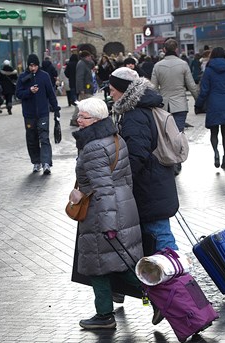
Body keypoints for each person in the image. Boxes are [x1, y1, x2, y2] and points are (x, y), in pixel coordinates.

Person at [71, 98, 144, 330]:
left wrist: (109, 224)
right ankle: (152, 296)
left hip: (102, 212)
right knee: (115, 263)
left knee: (101, 264)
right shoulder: (115, 138)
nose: (78, 120)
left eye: (83, 117)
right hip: (122, 206)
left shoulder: (92, 147)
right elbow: (126, 178)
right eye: (79, 115)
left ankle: (109, 314)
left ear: (97, 119)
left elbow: (102, 189)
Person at [109, 67, 179, 253]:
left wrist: (122, 180)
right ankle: (172, 278)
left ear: (123, 89)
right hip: (156, 183)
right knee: (159, 237)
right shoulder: (141, 108)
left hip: (149, 187)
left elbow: (136, 155)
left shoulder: (135, 115)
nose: (110, 94)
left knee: (161, 240)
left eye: (112, 89)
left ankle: (180, 279)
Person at [151, 39, 199, 174]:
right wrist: (198, 101)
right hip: (180, 104)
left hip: (164, 105)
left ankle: (168, 160)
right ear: (176, 49)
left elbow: (153, 87)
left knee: (166, 134)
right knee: (178, 133)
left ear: (164, 50)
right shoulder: (183, 64)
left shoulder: (158, 66)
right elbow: (191, 85)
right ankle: (178, 160)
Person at [15, 53, 60, 174]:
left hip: (43, 113)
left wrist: (56, 109)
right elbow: (18, 94)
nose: (33, 68)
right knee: (31, 138)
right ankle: (36, 161)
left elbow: (50, 93)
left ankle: (46, 163)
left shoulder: (44, 76)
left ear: (38, 65)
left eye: (34, 65)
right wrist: (29, 91)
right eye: (31, 65)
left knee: (44, 137)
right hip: (29, 114)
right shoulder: (22, 77)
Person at [72, 50, 95, 125]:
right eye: (89, 57)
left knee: (80, 104)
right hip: (85, 88)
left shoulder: (85, 63)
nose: (90, 58)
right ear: (86, 57)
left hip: (87, 87)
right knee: (82, 104)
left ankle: (75, 119)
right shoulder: (81, 64)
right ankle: (75, 119)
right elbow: (80, 77)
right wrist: (81, 89)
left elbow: (92, 64)